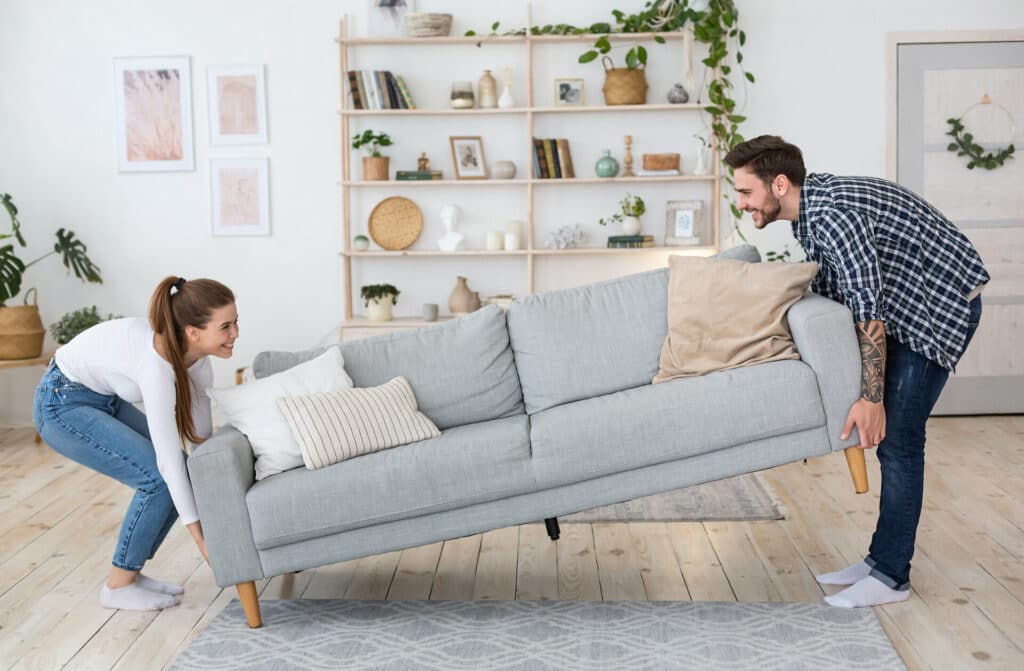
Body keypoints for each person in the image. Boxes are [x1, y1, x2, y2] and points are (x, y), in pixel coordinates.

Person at [724, 135, 988, 608]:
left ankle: (891, 577)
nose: (741, 203)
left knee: (901, 438)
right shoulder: (807, 215)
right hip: (906, 304)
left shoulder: (834, 216)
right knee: (894, 439)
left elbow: (868, 310)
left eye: (745, 192)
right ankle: (879, 560)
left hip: (939, 306)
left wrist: (870, 399)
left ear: (779, 184)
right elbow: (833, 292)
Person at [33, 277, 238, 611]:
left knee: (180, 476)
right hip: (60, 402)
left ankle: (131, 574)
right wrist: (203, 543)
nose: (235, 334)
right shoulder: (157, 365)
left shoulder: (199, 362)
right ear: (193, 332)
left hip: (101, 400)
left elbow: (200, 442)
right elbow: (168, 462)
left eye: (235, 322)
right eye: (226, 326)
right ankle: (117, 586)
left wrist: (218, 503)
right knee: (159, 480)